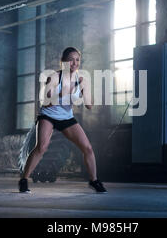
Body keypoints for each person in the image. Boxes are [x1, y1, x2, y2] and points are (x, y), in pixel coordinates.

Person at [18, 47, 107, 194]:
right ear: (63, 62)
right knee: (42, 147)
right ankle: (23, 180)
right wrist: (65, 91)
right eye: (71, 60)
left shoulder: (81, 80)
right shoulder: (54, 77)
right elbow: (47, 102)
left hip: (66, 117)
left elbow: (90, 105)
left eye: (77, 60)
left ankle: (94, 181)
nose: (74, 63)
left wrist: (87, 91)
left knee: (88, 148)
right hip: (48, 115)